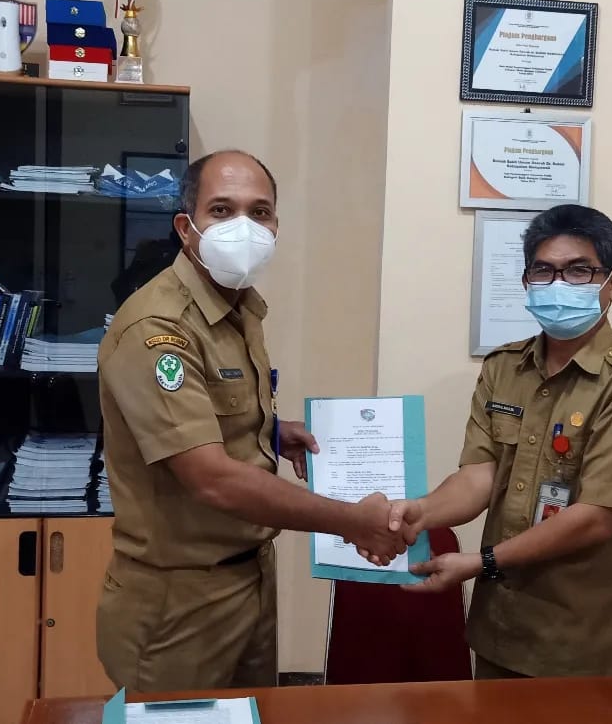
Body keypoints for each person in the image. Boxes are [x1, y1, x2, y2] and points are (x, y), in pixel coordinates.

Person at [95, 149, 405, 693]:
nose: (244, 226)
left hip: (249, 579)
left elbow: (214, 409)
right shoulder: (159, 328)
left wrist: (269, 432)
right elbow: (211, 478)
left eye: (259, 212)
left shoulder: (238, 308)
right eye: (221, 210)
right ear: (186, 228)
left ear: (276, 227)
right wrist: (352, 521)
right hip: (180, 603)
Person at [382, 204, 612, 679]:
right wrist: (421, 512)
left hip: (586, 640)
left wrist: (481, 562)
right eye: (544, 270)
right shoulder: (504, 368)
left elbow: (596, 518)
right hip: (502, 629)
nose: (558, 283)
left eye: (579, 270)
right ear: (526, 281)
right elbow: (478, 476)